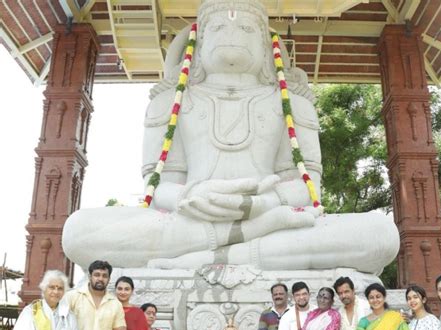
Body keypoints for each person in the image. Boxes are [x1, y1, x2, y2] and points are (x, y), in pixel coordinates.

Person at [62, 0, 399, 276]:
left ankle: (208, 253)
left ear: (267, 47)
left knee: (381, 235)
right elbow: (159, 186)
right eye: (219, 27)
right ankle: (241, 246)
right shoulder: (172, 101)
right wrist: (193, 198)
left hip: (270, 214)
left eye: (246, 28)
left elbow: (308, 187)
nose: (232, 34)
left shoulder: (290, 103)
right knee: (78, 231)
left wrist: (263, 204)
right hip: (193, 218)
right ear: (200, 42)